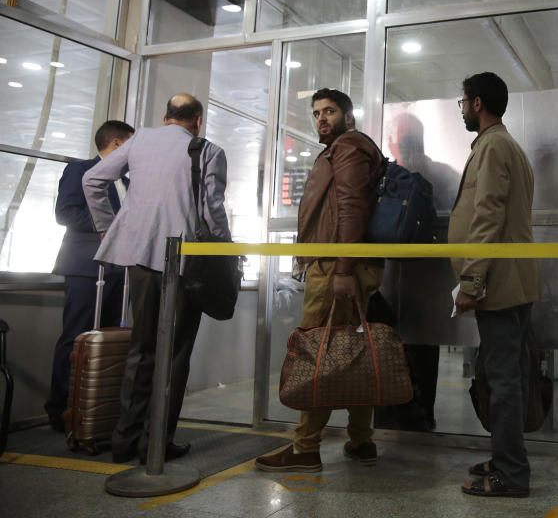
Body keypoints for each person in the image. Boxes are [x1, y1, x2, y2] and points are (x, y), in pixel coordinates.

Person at [82, 94, 230, 464]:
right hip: (185, 262)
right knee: (175, 353)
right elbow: (212, 209)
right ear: (198, 120)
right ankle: (157, 443)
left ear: (165, 117)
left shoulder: (140, 140)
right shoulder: (207, 149)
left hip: (140, 258)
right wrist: (224, 245)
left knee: (142, 348)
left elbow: (92, 179)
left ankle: (123, 441)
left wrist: (106, 227)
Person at [256, 88, 385, 473]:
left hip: (335, 265)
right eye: (316, 113)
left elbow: (351, 206)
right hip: (340, 262)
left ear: (349, 116)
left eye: (329, 111)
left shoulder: (347, 147)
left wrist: (343, 269)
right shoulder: (344, 149)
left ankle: (305, 447)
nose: (321, 119)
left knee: (320, 351)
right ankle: (361, 440)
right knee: (352, 351)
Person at [450, 72, 541, 498]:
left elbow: (487, 216)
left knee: (503, 380)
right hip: (513, 281)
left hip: (500, 285)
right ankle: (508, 456)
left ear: (478, 103)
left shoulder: (493, 147)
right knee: (509, 377)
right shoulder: (508, 146)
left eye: (463, 102)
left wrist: (472, 279)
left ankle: (511, 472)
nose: (462, 109)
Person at [45, 120, 134, 432]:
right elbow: (65, 213)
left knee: (109, 337)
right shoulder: (80, 170)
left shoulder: (127, 181)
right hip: (85, 266)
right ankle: (61, 409)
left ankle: (97, 411)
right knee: (76, 336)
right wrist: (108, 225)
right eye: (131, 146)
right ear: (117, 144)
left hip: (118, 268)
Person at [377, 113, 460, 432]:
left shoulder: (387, 178)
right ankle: (419, 417)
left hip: (411, 289)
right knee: (418, 355)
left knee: (406, 354)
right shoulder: (442, 174)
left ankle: (406, 418)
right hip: (420, 289)